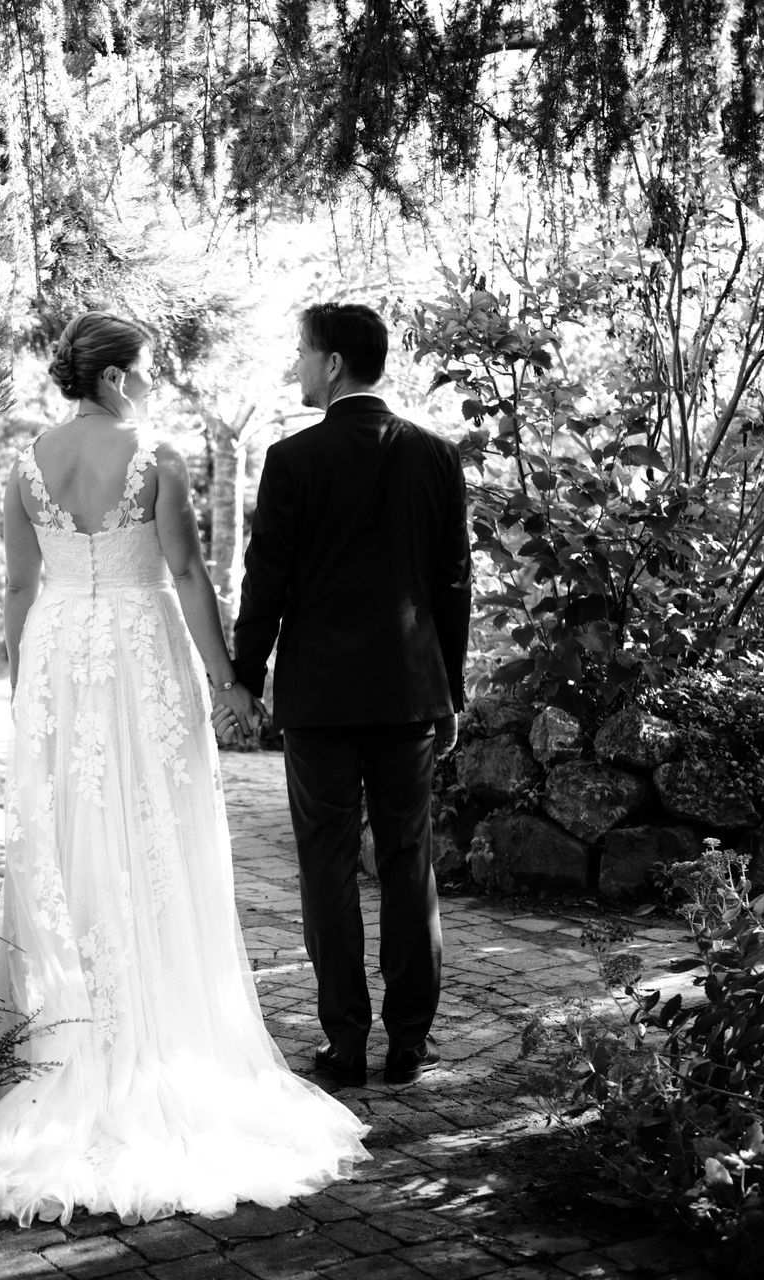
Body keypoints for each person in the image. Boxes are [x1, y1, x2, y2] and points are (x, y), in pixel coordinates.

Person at [0, 311, 369, 1227]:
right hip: (142, 653)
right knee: (158, 830)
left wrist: (26, 689)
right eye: (143, 369)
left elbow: (18, 587)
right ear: (111, 378)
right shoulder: (156, 458)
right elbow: (185, 576)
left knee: (73, 833)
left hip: (60, 657)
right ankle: (161, 1031)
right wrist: (229, 682)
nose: (152, 381)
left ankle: (76, 1032)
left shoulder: (25, 465)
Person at [231, 301, 471, 1090]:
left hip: (321, 698)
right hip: (410, 695)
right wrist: (450, 690)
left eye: (302, 351)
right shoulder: (436, 456)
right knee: (409, 862)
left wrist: (244, 675)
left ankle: (345, 1045)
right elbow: (453, 586)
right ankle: (410, 1044)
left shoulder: (293, 460)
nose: (296, 366)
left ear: (333, 363)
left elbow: (266, 582)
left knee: (327, 868)